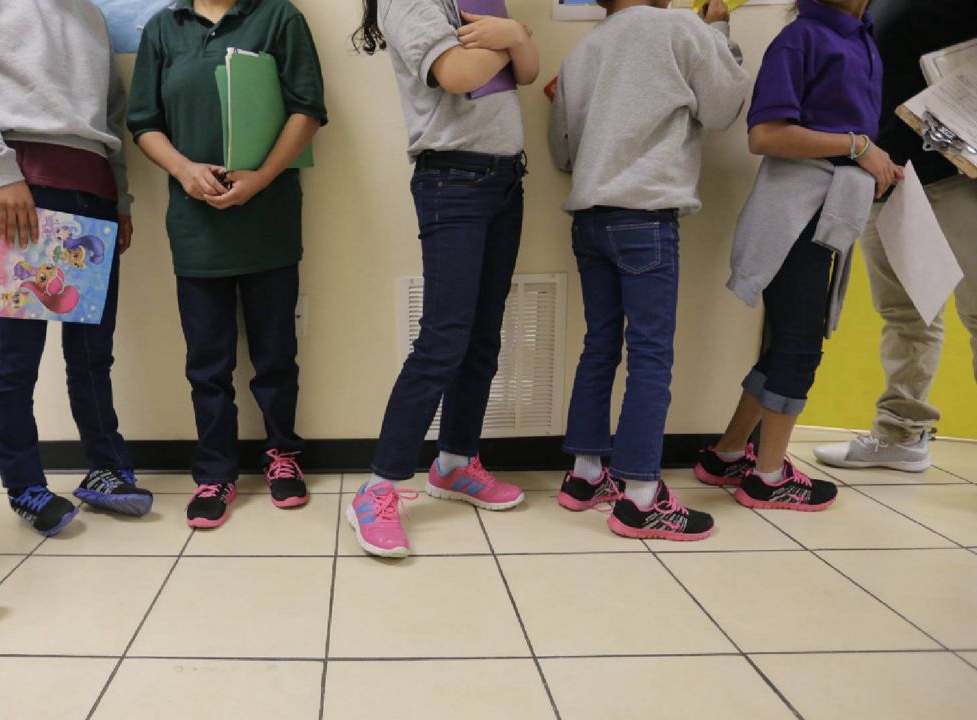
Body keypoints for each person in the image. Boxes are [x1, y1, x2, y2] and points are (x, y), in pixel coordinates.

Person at [0, 0, 154, 537]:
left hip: (93, 187)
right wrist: (0, 172)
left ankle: (106, 470)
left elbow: (111, 115)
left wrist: (120, 200)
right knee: (18, 354)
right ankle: (24, 484)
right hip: (18, 181)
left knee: (93, 353)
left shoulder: (89, 14)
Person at [549, 0, 751, 540]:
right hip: (646, 217)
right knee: (651, 355)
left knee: (600, 345)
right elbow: (725, 107)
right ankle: (640, 497)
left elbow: (562, 150)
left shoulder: (581, 52)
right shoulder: (680, 28)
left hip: (590, 218)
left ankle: (585, 476)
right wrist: (722, 33)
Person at [348, 0, 539, 558]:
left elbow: (525, 72)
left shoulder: (479, 2)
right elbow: (458, 74)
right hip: (452, 181)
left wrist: (509, 34)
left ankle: (455, 463)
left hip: (505, 178)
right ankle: (378, 488)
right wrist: (516, 33)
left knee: (482, 336)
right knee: (443, 340)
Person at [695, 0, 903, 510]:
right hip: (795, 215)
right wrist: (859, 147)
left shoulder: (861, 38)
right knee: (800, 345)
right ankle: (767, 478)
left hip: (826, 211)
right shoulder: (801, 39)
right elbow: (765, 135)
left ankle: (727, 454)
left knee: (789, 339)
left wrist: (871, 161)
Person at [127, 0, 326, 529]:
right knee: (207, 362)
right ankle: (215, 471)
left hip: (269, 217)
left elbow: (307, 108)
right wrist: (184, 169)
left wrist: (259, 178)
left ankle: (283, 453)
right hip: (196, 224)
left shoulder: (279, 17)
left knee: (276, 352)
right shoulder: (165, 29)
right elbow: (143, 120)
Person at [813, 0, 977, 473]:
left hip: (956, 174)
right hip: (887, 174)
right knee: (906, 315)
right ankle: (900, 433)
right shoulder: (872, 4)